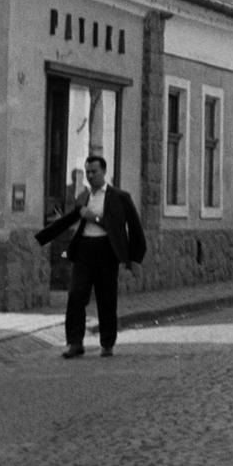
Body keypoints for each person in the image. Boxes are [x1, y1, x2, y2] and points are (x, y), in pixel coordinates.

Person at [35, 153, 146, 358]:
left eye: (94, 171)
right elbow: (69, 219)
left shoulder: (120, 198)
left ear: (104, 172)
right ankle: (75, 343)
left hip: (107, 250)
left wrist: (135, 258)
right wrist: (41, 238)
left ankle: (107, 343)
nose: (90, 175)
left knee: (106, 298)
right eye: (87, 172)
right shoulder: (84, 196)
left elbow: (135, 229)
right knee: (76, 295)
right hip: (84, 250)